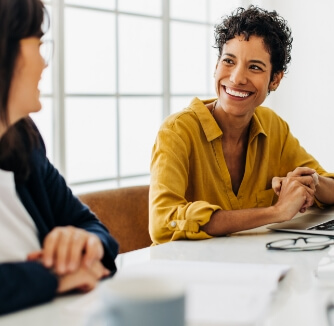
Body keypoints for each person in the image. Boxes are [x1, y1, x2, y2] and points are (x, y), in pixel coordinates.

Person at [149, 5, 334, 245]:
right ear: (216, 66)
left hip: (255, 267)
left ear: (275, 79)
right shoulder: (177, 131)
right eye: (228, 61)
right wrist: (276, 212)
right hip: (186, 273)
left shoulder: (273, 126)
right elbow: (162, 222)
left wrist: (310, 183)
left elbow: (329, 188)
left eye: (255, 67)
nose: (237, 78)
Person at [0, 0, 118, 315]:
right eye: (38, 44)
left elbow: (94, 229)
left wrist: (84, 243)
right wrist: (53, 276)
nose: (44, 63)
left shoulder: (25, 143)